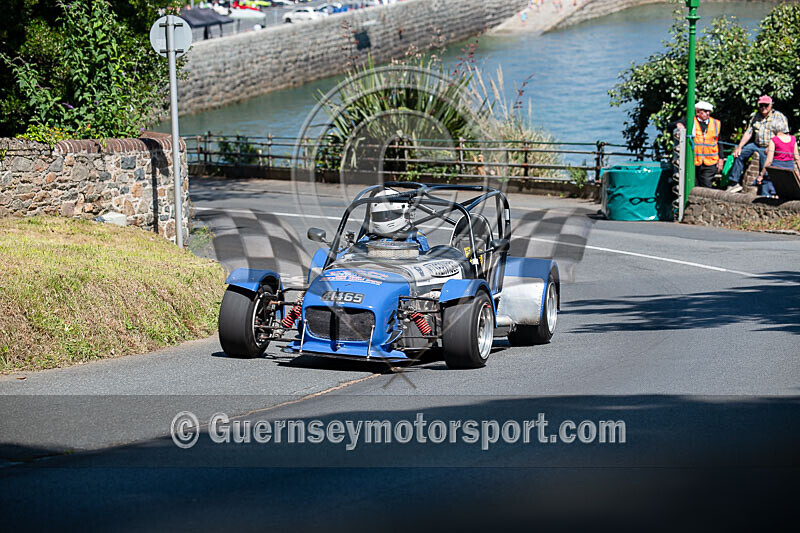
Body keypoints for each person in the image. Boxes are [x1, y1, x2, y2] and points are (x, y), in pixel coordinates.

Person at [726, 95, 789, 193]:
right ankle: (734, 183)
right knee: (740, 154)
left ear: (771, 105)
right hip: (756, 144)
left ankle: (767, 192)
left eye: (766, 105)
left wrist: (772, 147)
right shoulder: (756, 117)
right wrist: (739, 147)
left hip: (771, 146)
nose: (763, 108)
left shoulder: (778, 117)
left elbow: (784, 135)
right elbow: (749, 132)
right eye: (761, 105)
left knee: (766, 166)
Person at [673, 100, 723, 188]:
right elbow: (671, 125)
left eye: (709, 111)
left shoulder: (716, 123)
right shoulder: (691, 121)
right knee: (694, 186)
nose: (707, 113)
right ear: (697, 112)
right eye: (705, 111)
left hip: (710, 161)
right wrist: (679, 124)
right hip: (694, 161)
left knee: (707, 185)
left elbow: (720, 142)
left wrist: (721, 159)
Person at [365, 188, 429, 250]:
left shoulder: (415, 236)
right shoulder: (369, 237)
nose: (385, 218)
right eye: (379, 216)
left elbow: (425, 256)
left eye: (388, 216)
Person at [756, 126, 800, 198]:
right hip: (790, 170)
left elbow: (769, 160)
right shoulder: (793, 139)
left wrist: (761, 175)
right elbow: (797, 159)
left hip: (776, 170)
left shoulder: (774, 140)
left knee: (768, 187)